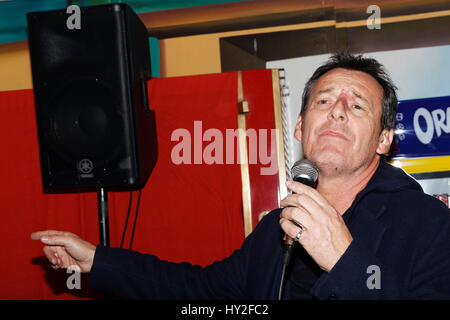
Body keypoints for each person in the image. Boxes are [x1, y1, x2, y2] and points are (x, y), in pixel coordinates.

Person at [31, 52, 450, 299]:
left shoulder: (429, 225)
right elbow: (202, 291)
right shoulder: (275, 227)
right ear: (301, 128)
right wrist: (99, 259)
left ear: (383, 140)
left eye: (358, 106)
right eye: (323, 100)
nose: (338, 109)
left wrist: (345, 262)